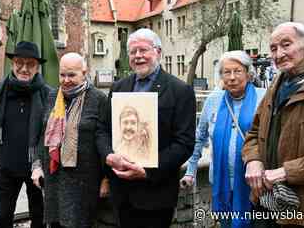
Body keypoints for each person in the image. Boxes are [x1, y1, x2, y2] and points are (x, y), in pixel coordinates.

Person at [243, 22, 304, 228]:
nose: (278, 54)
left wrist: (285, 172)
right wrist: (253, 160)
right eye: (273, 48)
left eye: (286, 45)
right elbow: (255, 132)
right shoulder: (278, 83)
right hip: (264, 201)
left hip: (302, 212)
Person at [101, 28, 196, 228]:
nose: (138, 56)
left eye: (143, 50)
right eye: (133, 52)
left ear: (158, 52)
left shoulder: (180, 91)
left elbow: (185, 143)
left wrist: (148, 171)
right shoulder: (118, 88)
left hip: (156, 194)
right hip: (122, 192)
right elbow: (103, 130)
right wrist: (108, 155)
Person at [180, 51, 266, 228]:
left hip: (255, 183)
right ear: (221, 76)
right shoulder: (213, 100)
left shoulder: (263, 97)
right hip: (221, 181)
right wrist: (190, 170)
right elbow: (199, 137)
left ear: (249, 74)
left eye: (238, 71)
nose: (232, 77)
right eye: (227, 72)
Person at [31, 53, 109, 228]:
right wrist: (36, 166)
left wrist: (106, 178)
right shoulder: (52, 97)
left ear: (84, 72)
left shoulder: (98, 99)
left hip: (84, 182)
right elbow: (42, 135)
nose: (66, 80)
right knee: (56, 223)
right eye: (62, 75)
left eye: (72, 75)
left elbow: (106, 139)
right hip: (54, 180)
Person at [0, 41, 50, 228]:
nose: (24, 68)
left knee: (40, 217)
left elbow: (51, 131)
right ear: (12, 64)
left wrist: (41, 162)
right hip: (7, 167)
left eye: (30, 64)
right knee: (2, 217)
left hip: (36, 169)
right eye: (19, 63)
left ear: (37, 67)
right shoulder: (0, 91)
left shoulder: (47, 94)